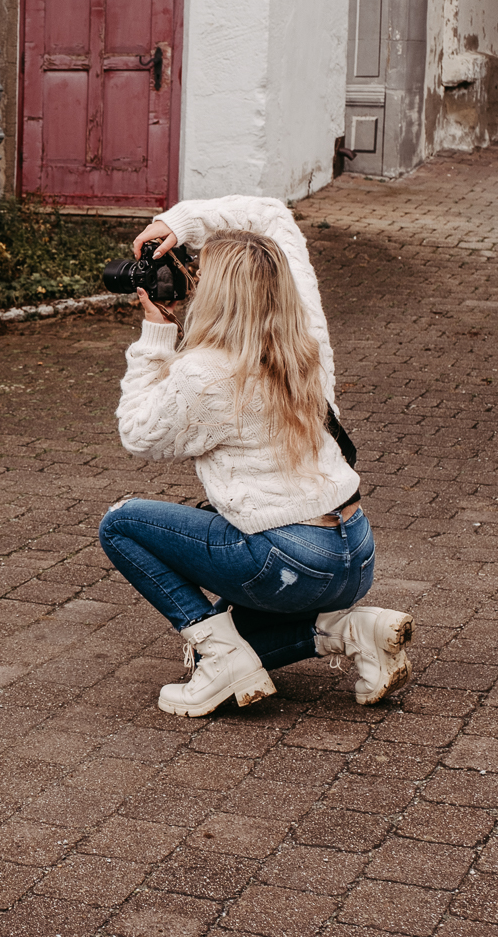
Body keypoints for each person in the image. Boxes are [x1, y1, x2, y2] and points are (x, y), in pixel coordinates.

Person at [97, 196, 413, 717]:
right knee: (234, 647)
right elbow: (272, 215)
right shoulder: (305, 336)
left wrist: (156, 333)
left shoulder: (207, 372)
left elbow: (139, 434)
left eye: (200, 272)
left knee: (122, 524)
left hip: (288, 564)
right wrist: (180, 224)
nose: (191, 277)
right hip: (354, 554)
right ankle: (353, 631)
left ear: (216, 294)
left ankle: (225, 658)